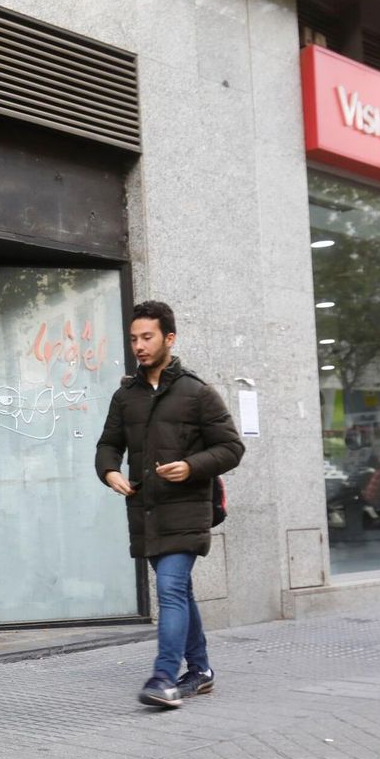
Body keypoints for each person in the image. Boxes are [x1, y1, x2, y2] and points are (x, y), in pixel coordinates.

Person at [95, 300, 245, 709]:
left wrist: (191, 466)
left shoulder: (197, 392)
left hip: (187, 509)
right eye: (133, 339)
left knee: (171, 589)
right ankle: (200, 671)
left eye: (147, 337)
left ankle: (164, 677)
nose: (139, 346)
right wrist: (110, 472)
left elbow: (232, 447)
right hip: (146, 511)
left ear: (169, 338)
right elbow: (108, 444)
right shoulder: (126, 396)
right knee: (180, 591)